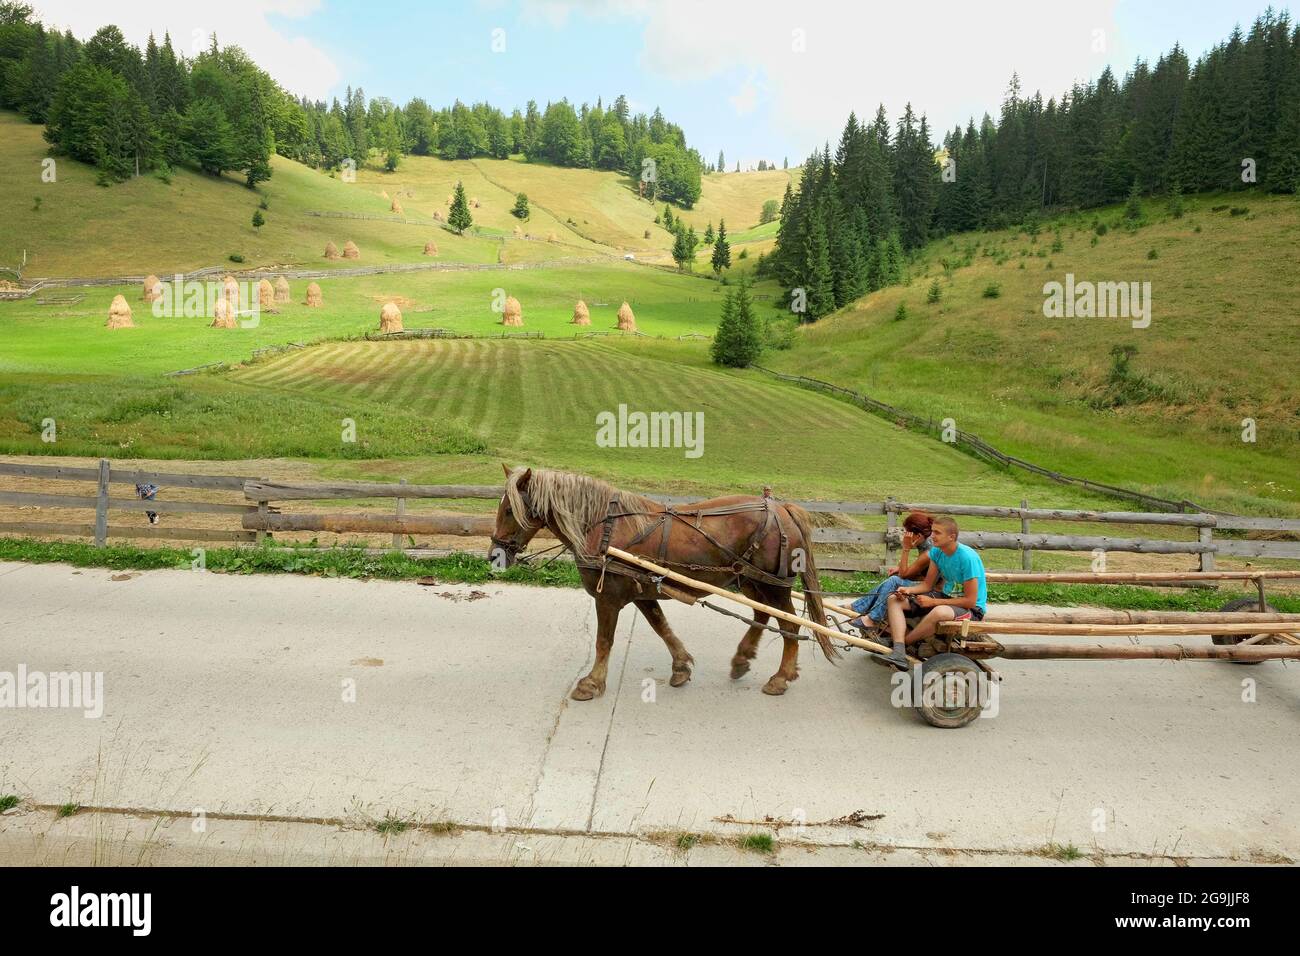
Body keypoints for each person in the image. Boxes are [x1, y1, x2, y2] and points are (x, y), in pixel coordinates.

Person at [876, 516, 987, 669]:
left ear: (951, 537)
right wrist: (907, 590)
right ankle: (899, 650)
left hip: (971, 610)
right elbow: (927, 585)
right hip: (947, 598)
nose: (932, 536)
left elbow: (970, 601)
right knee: (894, 599)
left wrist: (934, 602)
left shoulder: (967, 558)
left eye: (937, 533)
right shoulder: (937, 552)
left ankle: (901, 646)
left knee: (939, 612)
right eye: (932, 531)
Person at [844, 511, 935, 640]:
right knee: (894, 579)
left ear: (918, 535)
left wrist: (906, 548)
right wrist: (901, 568)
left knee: (894, 580)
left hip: (929, 590)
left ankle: (872, 618)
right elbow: (913, 571)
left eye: (907, 533)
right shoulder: (926, 546)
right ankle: (858, 607)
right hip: (924, 584)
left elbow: (904, 575)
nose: (905, 536)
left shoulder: (928, 553)